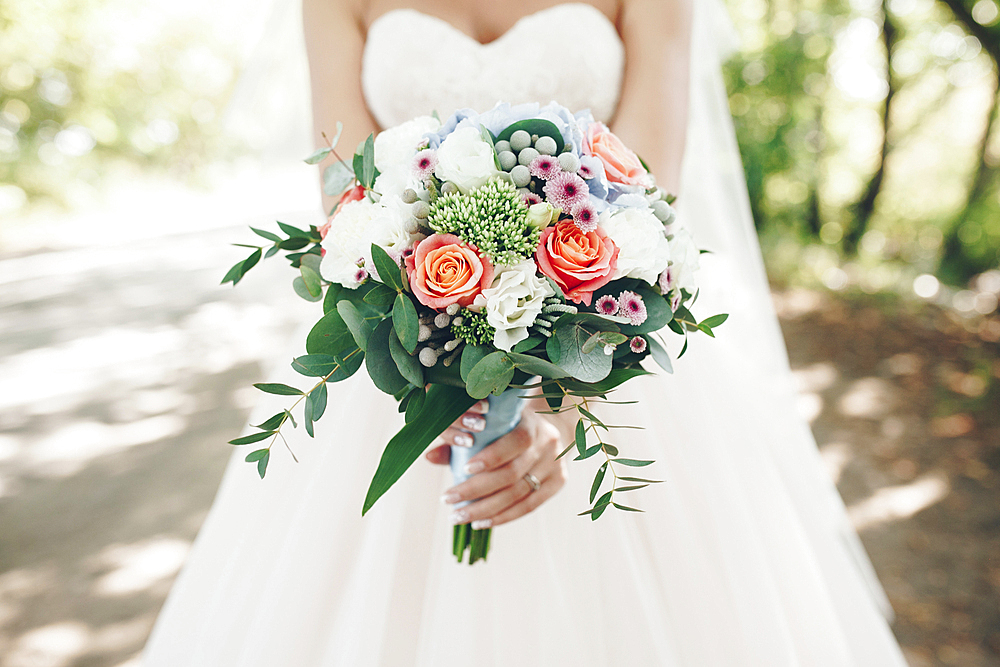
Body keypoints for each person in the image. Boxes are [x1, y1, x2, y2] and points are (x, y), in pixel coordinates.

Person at [143, 1, 910, 665]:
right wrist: (451, 365)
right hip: (414, 345)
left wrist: (557, 404)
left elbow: (647, 196)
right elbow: (350, 193)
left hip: (608, 337)